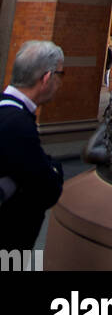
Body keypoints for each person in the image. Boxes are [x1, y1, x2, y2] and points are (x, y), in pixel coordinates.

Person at [0, 40, 65, 250]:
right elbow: (47, 189)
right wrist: (54, 168)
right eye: (60, 75)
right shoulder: (17, 125)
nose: (60, 83)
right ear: (46, 78)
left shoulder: (8, 112)